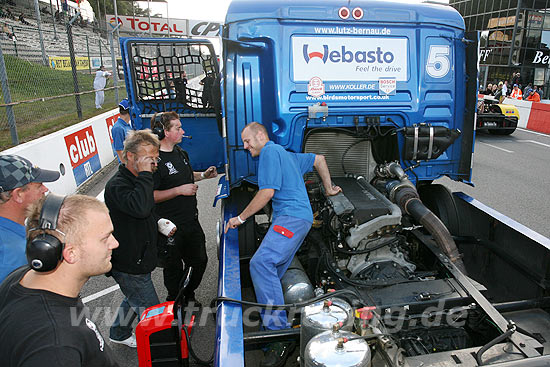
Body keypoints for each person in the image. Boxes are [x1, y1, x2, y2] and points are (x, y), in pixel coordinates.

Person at [225, 122, 342, 367]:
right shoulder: (287, 155)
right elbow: (319, 159)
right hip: (300, 219)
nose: (246, 146)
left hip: (290, 217)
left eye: (247, 141)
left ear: (260, 135)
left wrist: (240, 218)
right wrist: (329, 188)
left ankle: (280, 336)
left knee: (260, 263)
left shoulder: (268, 152)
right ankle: (275, 320)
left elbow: (266, 192)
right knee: (272, 271)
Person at [0, 194, 120, 366]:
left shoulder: (22, 277)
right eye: (105, 238)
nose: (114, 243)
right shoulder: (55, 346)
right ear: (70, 253)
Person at [104, 129, 176, 347]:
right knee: (153, 314)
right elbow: (141, 208)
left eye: (155, 159)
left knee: (133, 296)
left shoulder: (141, 178)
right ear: (130, 157)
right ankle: (161, 350)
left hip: (139, 258)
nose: (153, 164)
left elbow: (144, 213)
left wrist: (158, 223)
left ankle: (119, 332)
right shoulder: (117, 185)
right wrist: (145, 175)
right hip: (128, 262)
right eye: (147, 159)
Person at [151, 111, 217, 304]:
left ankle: (188, 294)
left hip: (190, 221)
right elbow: (150, 196)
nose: (183, 131)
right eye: (178, 128)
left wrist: (204, 176)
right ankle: (175, 301)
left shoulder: (181, 153)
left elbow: (185, 176)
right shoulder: (154, 161)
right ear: (164, 131)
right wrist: (178, 190)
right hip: (170, 227)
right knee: (173, 269)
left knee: (200, 260)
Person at [0, 154, 59, 282]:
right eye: (39, 185)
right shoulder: (11, 253)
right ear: (18, 194)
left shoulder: (11, 232)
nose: (45, 189)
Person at [111, 99, 134, 163]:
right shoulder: (118, 128)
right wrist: (126, 165)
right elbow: (119, 150)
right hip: (128, 165)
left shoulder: (128, 125)